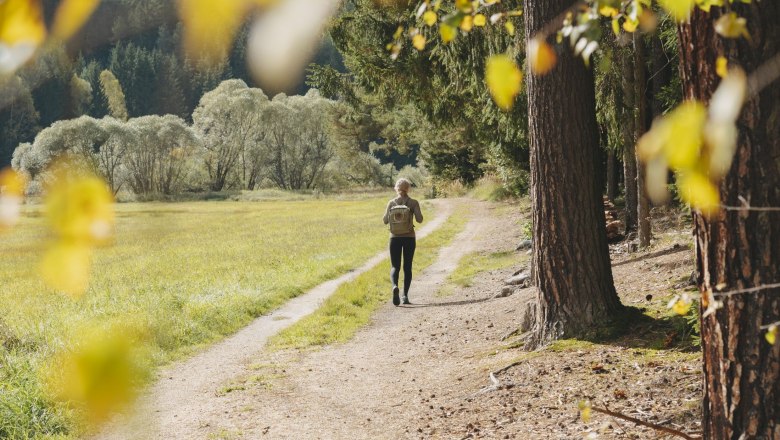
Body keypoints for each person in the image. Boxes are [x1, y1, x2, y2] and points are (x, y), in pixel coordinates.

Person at [383, 178, 423, 306]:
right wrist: (414, 210)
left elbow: (385, 220)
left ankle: (395, 286)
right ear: (408, 189)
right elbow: (420, 219)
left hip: (394, 237)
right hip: (409, 237)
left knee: (395, 266)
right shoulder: (413, 202)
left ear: (396, 188)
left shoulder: (391, 202)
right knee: (407, 266)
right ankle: (405, 295)